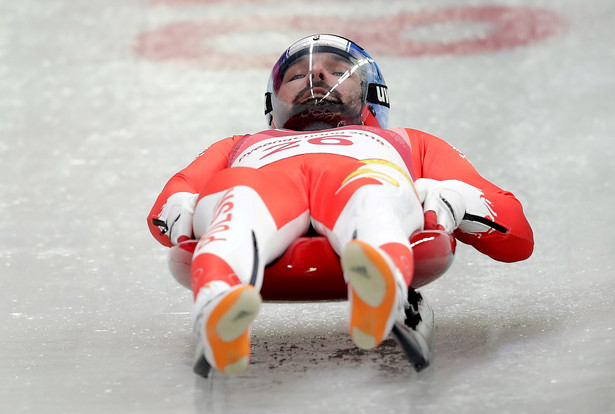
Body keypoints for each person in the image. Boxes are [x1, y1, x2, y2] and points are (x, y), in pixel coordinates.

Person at [147, 34, 534, 376]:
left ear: (370, 92)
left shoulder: (408, 141)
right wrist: (180, 208)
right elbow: (176, 194)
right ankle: (219, 306)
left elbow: (517, 236)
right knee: (238, 191)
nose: (316, 77)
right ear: (274, 101)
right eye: (297, 75)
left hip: (360, 178)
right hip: (264, 187)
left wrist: (455, 199)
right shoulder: (238, 146)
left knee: (371, 188)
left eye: (337, 71)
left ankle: (378, 282)